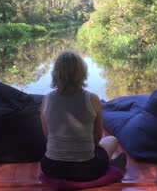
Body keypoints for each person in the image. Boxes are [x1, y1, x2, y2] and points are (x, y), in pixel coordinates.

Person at [40, 50, 127, 182]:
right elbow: (97, 137)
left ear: (56, 73)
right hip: (86, 170)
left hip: (50, 167)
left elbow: (47, 135)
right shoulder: (92, 99)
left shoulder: (46, 99)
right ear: (82, 73)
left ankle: (106, 164)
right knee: (112, 140)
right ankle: (108, 165)